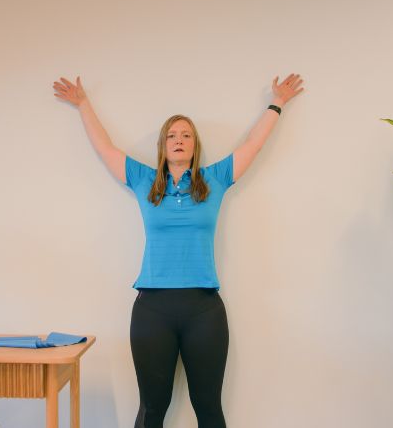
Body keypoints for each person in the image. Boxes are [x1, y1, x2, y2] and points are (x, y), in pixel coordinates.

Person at [53, 74, 304, 428]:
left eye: (186, 135)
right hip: (152, 309)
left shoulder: (214, 180)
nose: (179, 140)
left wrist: (277, 103)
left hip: (204, 309)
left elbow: (253, 145)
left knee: (209, 408)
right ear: (163, 145)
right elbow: (105, 147)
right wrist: (82, 104)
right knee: (152, 409)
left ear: (195, 144)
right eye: (172, 135)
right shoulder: (144, 181)